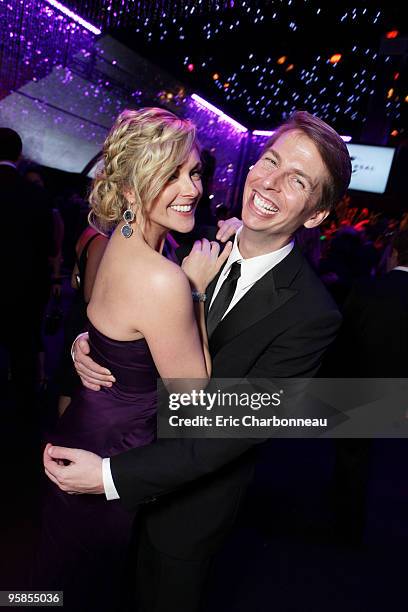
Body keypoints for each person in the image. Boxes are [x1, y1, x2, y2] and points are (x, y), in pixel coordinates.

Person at [44, 111, 352, 611]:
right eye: (269, 161)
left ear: (316, 214)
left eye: (296, 181)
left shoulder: (312, 315)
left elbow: (227, 434)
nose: (269, 183)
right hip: (111, 469)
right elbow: (127, 298)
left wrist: (107, 477)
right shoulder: (187, 228)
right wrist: (93, 343)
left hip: (178, 515)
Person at [34, 107, 233, 611]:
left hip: (82, 431)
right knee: (79, 592)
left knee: (54, 585)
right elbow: (195, 400)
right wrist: (196, 292)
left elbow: (104, 321)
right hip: (106, 454)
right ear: (128, 190)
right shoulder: (165, 279)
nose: (191, 188)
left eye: (192, 172)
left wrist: (86, 344)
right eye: (169, 176)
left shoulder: (108, 244)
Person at [0, 128, 54, 406]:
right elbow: (47, 247)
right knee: (24, 357)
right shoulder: (35, 195)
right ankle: (23, 431)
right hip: (25, 290)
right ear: (19, 156)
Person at [57, 225, 109, 416]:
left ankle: (62, 433)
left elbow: (74, 281)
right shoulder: (101, 240)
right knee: (76, 383)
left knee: (68, 381)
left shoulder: (87, 233)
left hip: (75, 312)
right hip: (85, 318)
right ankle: (67, 435)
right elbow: (89, 294)